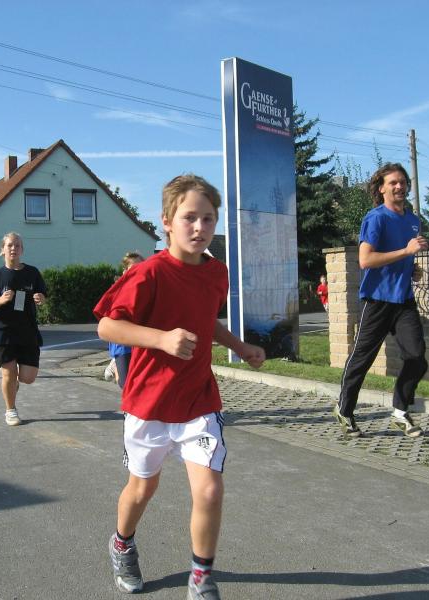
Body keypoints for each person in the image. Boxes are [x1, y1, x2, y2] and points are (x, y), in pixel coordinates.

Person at [94, 174, 265, 599]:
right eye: (189, 217)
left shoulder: (217, 273)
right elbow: (107, 326)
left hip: (197, 401)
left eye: (208, 219)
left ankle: (201, 577)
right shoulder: (148, 273)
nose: (200, 227)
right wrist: (161, 338)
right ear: (167, 221)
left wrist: (240, 347)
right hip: (148, 404)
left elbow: (207, 321)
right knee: (142, 489)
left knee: (209, 489)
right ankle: (122, 544)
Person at [332, 163, 429, 439]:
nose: (399, 186)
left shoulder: (413, 220)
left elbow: (401, 257)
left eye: (403, 182)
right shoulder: (376, 218)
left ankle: (400, 411)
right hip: (377, 301)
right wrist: (406, 252)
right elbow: (366, 260)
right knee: (362, 359)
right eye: (393, 183)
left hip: (404, 300)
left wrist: (412, 268)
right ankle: (345, 409)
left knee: (417, 357)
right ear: (382, 188)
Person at [0, 232, 47, 426]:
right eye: (9, 245)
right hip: (3, 330)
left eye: (17, 245)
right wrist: (0, 300)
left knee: (28, 377)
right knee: (8, 372)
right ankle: (11, 410)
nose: (13, 248)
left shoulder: (32, 273)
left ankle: (13, 383)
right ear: (2, 250)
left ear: (22, 250)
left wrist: (41, 298)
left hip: (27, 329)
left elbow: (43, 295)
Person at [103, 251, 145, 388]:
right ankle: (115, 365)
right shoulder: (117, 290)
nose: (137, 271)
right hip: (122, 342)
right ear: (125, 271)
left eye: (141, 267)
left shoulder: (149, 287)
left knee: (140, 383)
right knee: (125, 384)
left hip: (141, 341)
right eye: (133, 268)